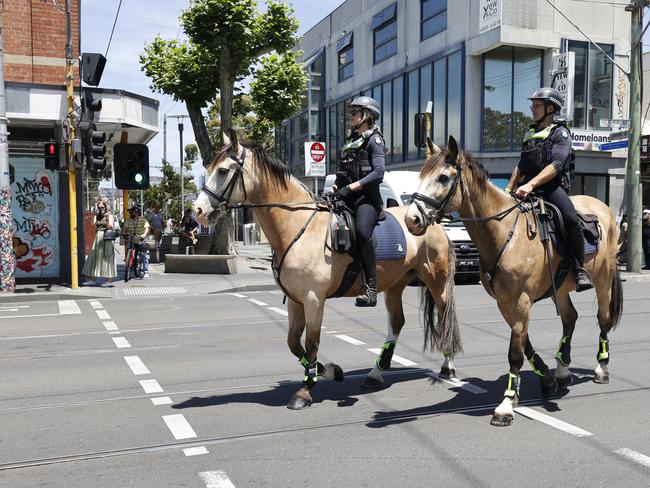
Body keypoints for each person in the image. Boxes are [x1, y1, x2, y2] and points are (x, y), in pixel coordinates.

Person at [506, 86, 593, 292]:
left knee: (571, 220)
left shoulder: (560, 133)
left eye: (537, 106)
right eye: (532, 105)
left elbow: (556, 165)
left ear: (550, 108)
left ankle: (580, 269)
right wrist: (509, 188)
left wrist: (530, 184)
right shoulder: (529, 132)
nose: (532, 109)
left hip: (551, 188)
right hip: (525, 189)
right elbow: (521, 164)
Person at [332, 96, 385, 307]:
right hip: (347, 197)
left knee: (362, 232)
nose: (351, 116)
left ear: (367, 116)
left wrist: (351, 188)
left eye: (355, 112)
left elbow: (378, 173)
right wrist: (336, 188)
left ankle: (371, 288)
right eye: (352, 112)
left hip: (366, 199)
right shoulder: (351, 141)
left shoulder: (375, 140)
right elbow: (343, 172)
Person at [82, 199, 117, 286]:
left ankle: (109, 280)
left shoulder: (110, 216)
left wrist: (108, 218)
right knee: (94, 258)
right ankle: (93, 279)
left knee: (107, 258)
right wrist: (95, 214)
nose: (100, 209)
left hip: (106, 238)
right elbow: (93, 225)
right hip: (98, 237)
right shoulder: (97, 216)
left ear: (106, 207)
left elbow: (110, 227)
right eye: (99, 207)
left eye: (102, 207)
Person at [122, 206, 150, 278]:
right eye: (130, 212)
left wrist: (144, 234)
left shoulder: (143, 220)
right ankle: (129, 267)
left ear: (137, 212)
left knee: (143, 255)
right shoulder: (128, 220)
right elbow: (124, 229)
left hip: (140, 239)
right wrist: (124, 233)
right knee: (129, 251)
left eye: (132, 211)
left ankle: (145, 271)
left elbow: (147, 228)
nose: (130, 213)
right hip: (131, 238)